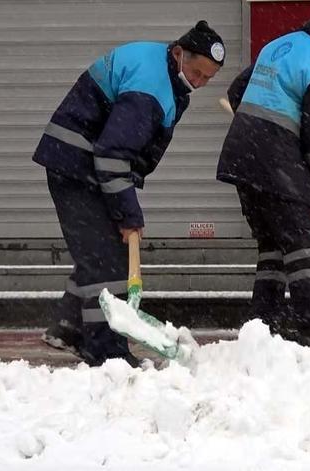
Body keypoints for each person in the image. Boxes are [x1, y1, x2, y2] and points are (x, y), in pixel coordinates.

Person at [33, 21, 225, 366]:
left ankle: (69, 327)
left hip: (81, 163)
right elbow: (112, 153)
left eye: (207, 78)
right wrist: (129, 214)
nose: (199, 82)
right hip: (78, 166)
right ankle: (106, 352)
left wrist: (124, 205)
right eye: (197, 73)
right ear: (179, 53)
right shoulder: (150, 86)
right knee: (106, 261)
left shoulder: (162, 71)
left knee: (101, 251)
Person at [217, 0, 310, 348]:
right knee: (302, 242)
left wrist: (260, 129)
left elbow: (237, 91)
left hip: (243, 157)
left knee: (273, 244)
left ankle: (262, 326)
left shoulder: (280, 44)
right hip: (274, 162)